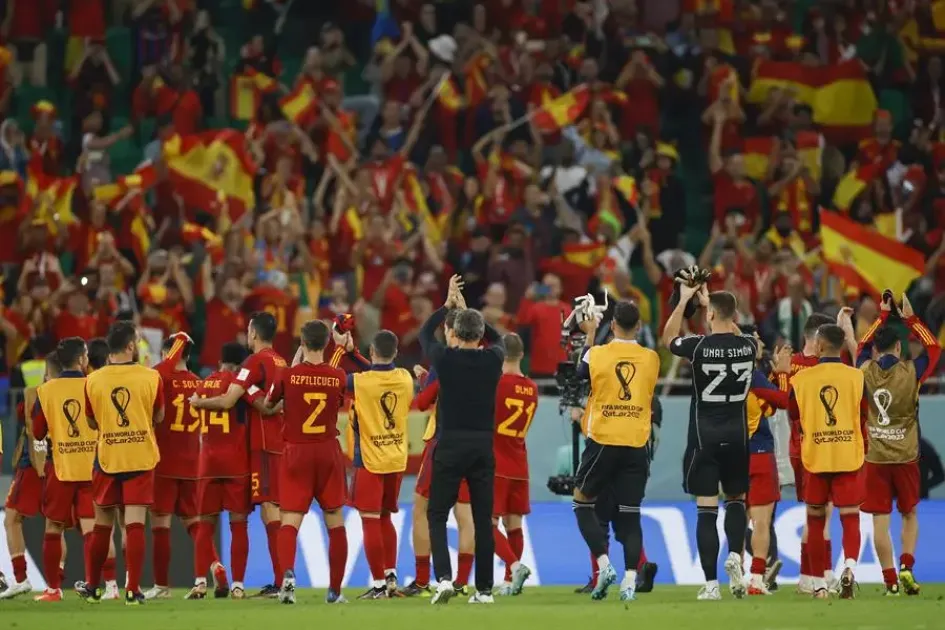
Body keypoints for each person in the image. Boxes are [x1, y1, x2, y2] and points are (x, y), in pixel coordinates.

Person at [662, 285, 757, 600]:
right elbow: (741, 335)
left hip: (705, 437)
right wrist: (716, 308)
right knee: (736, 500)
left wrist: (687, 301)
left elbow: (668, 338)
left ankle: (711, 585)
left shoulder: (698, 346)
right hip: (737, 435)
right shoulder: (748, 346)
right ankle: (735, 555)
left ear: (711, 314)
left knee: (706, 509)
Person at [418, 275, 505, 605]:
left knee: (437, 514)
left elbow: (425, 334)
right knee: (483, 520)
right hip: (483, 446)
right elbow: (500, 338)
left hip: (451, 444)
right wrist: (470, 313)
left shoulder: (444, 359)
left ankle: (442, 580)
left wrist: (446, 307)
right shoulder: (493, 359)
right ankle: (484, 590)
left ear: (455, 333)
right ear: (481, 335)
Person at [191, 312, 287, 597]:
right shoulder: (280, 360)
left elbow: (230, 401)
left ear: (254, 334)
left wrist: (199, 402)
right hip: (270, 447)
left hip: (259, 447)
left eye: (247, 330)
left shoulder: (252, 363)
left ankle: (281, 580)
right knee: (258, 515)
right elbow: (270, 401)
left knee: (269, 511)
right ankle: (255, 582)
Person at [573, 301, 660, 602]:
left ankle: (603, 564)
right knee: (630, 515)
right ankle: (630, 582)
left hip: (604, 440)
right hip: (637, 444)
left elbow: (580, 372)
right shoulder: (651, 358)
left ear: (612, 325)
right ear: (638, 326)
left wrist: (590, 333)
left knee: (582, 501)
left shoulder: (597, 353)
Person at [856, 293, 941, 596]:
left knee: (880, 519)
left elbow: (860, 347)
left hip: (876, 456)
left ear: (878, 350)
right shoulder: (911, 372)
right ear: (898, 347)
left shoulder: (864, 369)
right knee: (909, 514)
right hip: (906, 455)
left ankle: (890, 579)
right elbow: (934, 348)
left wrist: (880, 315)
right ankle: (906, 565)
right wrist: (912, 320)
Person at [78, 321, 165, 605]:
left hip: (107, 458)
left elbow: (91, 421)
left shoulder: (92, 380)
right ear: (130, 346)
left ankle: (92, 586)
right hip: (140, 456)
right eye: (137, 342)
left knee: (102, 525)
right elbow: (160, 416)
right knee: (135, 524)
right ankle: (133, 589)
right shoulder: (151, 377)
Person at [266, 321, 349, 605]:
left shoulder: (288, 375)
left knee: (289, 520)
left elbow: (268, 404)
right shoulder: (338, 375)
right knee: (335, 521)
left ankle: (288, 574)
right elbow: (338, 399)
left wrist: (291, 367)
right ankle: (335, 591)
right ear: (326, 343)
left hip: (295, 452)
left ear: (301, 342)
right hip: (327, 452)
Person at [789, 323, 867, 600]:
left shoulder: (800, 380)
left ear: (819, 346)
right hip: (849, 455)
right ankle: (849, 567)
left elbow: (794, 414)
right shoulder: (857, 377)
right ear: (844, 346)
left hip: (816, 458)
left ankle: (820, 583)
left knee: (815, 521)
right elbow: (864, 414)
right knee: (849, 518)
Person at [400, 312, 475, 598]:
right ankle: (462, 581)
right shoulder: (484, 360)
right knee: (466, 513)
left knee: (423, 509)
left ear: (448, 330)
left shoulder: (443, 361)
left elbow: (422, 403)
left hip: (442, 443)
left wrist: (445, 305)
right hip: (475, 444)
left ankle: (422, 581)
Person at [148, 333, 225, 600]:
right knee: (194, 523)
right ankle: (216, 566)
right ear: (189, 356)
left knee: (160, 524)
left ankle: (161, 586)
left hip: (164, 462)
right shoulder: (199, 383)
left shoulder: (160, 378)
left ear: (167, 354)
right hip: (194, 463)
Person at [346, 330, 414, 599]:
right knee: (385, 517)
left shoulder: (360, 383)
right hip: (396, 459)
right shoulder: (405, 378)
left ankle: (377, 586)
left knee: (370, 520)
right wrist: (355, 354)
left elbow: (341, 380)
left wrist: (346, 352)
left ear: (372, 352)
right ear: (396, 353)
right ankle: (390, 576)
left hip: (370, 460)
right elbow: (379, 370)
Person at [774, 312, 839, 594]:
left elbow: (780, 402)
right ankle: (820, 573)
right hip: (817, 446)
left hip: (800, 448)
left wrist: (781, 373)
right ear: (819, 339)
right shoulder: (821, 367)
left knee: (815, 512)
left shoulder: (792, 365)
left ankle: (810, 575)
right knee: (822, 513)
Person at [189, 342, 259, 600]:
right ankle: (238, 585)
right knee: (238, 525)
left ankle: (199, 582)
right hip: (236, 462)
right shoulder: (242, 386)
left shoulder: (202, 385)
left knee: (204, 525)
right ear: (241, 363)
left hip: (207, 461)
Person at [31, 338, 95, 602]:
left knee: (53, 528)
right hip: (92, 468)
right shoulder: (94, 384)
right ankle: (94, 587)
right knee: (92, 529)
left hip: (61, 467)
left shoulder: (47, 391)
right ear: (81, 359)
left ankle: (53, 590)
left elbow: (37, 431)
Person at [1, 353, 51, 600]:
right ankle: (57, 585)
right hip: (62, 463)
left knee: (11, 519)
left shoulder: (34, 394)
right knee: (60, 525)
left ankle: (21, 579)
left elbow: (23, 415)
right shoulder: (76, 392)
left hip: (32, 464)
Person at [491, 333, 536, 596]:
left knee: (486, 524)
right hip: (520, 462)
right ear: (521, 355)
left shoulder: (496, 385)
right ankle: (510, 582)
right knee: (514, 524)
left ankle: (515, 565)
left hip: (496, 463)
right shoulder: (532, 388)